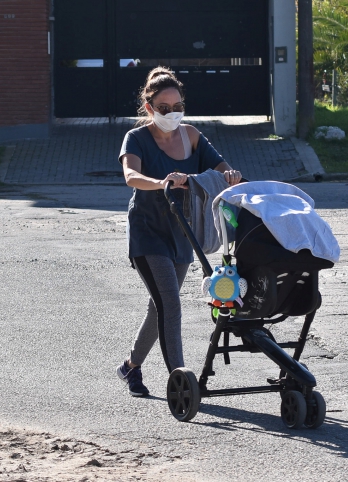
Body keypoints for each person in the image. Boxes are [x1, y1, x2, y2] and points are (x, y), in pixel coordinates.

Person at [116, 66, 242, 397]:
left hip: (183, 230)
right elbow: (131, 175)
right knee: (170, 302)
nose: (172, 114)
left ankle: (130, 367)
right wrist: (160, 184)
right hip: (148, 232)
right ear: (149, 109)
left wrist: (230, 175)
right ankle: (181, 381)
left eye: (177, 107)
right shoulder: (137, 138)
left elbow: (222, 166)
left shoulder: (192, 136)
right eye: (164, 109)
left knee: (158, 306)